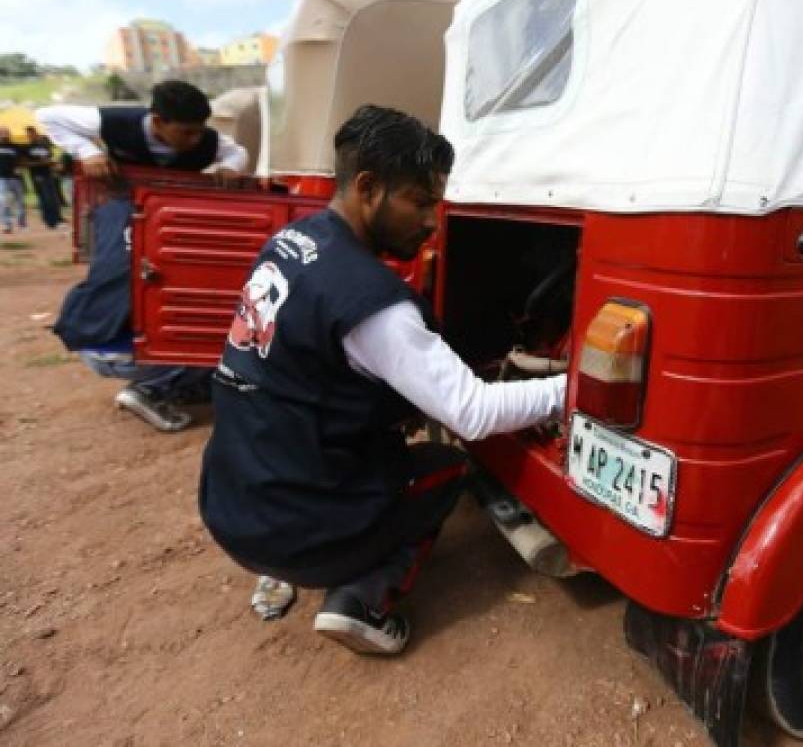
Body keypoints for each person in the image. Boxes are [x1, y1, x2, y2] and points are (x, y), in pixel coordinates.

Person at [199, 105, 565, 656]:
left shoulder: (294, 241)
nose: (431, 222)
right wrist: (574, 389)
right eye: (420, 202)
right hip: (287, 528)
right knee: (450, 468)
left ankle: (283, 565)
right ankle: (361, 602)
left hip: (230, 501)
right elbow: (473, 413)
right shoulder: (372, 303)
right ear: (368, 188)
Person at [37, 81, 250, 432]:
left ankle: (178, 383)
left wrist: (229, 167)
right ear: (157, 120)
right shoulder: (112, 122)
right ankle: (150, 387)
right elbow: (47, 116)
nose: (195, 141)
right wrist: (86, 152)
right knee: (219, 337)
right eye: (186, 132)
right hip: (112, 340)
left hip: (154, 218)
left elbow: (235, 152)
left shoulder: (208, 143)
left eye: (200, 132)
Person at [21, 126, 63, 229]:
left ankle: (57, 218)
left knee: (53, 198)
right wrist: (40, 163)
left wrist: (53, 163)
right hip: (37, 176)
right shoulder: (27, 148)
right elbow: (24, 163)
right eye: (29, 134)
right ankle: (50, 220)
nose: (32, 135)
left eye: (33, 133)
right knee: (45, 198)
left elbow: (50, 158)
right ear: (27, 135)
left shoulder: (44, 146)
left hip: (49, 174)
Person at [0, 127, 28, 233]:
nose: (4, 135)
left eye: (6, 133)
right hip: (2, 178)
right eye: (1, 133)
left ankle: (22, 224)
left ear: (9, 134)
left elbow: (24, 160)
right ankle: (7, 225)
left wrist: (20, 167)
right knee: (3, 201)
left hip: (16, 178)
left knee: (20, 202)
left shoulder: (16, 147)